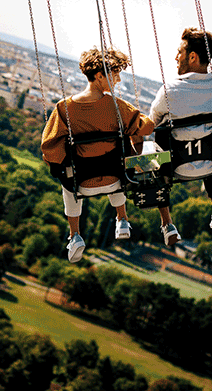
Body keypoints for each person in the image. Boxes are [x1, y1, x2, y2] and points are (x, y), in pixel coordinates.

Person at [42, 47, 154, 263]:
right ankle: (122, 218)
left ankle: (75, 235)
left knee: (66, 181)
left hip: (81, 184)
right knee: (121, 160)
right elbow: (146, 128)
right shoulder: (117, 106)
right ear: (100, 76)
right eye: (115, 73)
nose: (119, 80)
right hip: (115, 180)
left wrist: (62, 163)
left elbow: (49, 147)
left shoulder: (64, 109)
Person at [149, 27, 212, 247]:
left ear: (193, 57)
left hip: (172, 167)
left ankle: (167, 223)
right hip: (210, 164)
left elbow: (153, 122)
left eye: (179, 52)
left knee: (156, 142)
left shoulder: (170, 91)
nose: (175, 57)